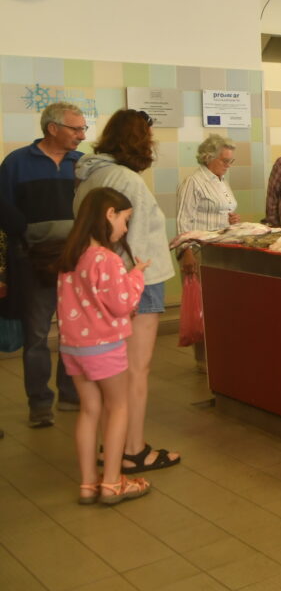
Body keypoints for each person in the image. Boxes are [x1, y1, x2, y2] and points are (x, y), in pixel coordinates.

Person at [76, 109, 179, 473]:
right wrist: (130, 285)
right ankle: (133, 450)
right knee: (136, 370)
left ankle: (112, 448)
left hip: (101, 282)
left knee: (115, 373)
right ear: (138, 140)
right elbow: (131, 240)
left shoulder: (91, 176)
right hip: (137, 282)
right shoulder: (126, 179)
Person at [56, 187, 152, 505]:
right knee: (118, 408)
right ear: (109, 214)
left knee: (89, 410)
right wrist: (136, 276)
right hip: (104, 347)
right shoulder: (106, 258)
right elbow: (121, 304)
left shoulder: (71, 254)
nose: (124, 229)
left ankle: (87, 484)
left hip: (73, 347)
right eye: (125, 220)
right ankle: (112, 483)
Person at [0, 102, 87, 427]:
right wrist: (23, 239)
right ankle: (39, 404)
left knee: (73, 332)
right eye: (75, 128)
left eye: (82, 129)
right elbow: (4, 209)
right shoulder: (16, 163)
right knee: (36, 335)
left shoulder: (83, 164)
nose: (81, 134)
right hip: (33, 262)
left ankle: (69, 394)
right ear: (53, 128)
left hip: (77, 262)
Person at [176, 134, 240, 372]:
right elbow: (184, 221)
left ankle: (219, 354)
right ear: (208, 158)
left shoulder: (221, 180)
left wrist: (233, 219)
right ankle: (203, 361)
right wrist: (186, 252)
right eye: (225, 161)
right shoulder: (193, 182)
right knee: (202, 308)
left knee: (218, 307)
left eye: (231, 161)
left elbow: (224, 210)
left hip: (221, 248)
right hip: (199, 251)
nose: (228, 166)